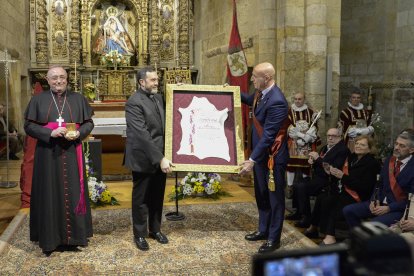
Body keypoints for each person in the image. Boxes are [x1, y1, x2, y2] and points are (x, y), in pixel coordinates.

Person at [24, 66, 94, 255]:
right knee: (49, 193)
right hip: (48, 154)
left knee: (73, 192)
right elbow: (28, 126)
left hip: (72, 152)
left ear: (67, 79)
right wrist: (49, 132)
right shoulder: (38, 100)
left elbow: (89, 122)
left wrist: (80, 133)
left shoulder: (78, 98)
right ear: (48, 80)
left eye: (62, 77)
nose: (58, 81)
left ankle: (76, 238)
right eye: (54, 78)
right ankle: (50, 238)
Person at [239, 62, 289, 253]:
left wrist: (251, 159)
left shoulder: (277, 100)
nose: (252, 80)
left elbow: (269, 135)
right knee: (261, 194)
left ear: (266, 78)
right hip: (260, 155)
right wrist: (231, 92)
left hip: (272, 157)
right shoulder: (261, 94)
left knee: (275, 199)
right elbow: (249, 99)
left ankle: (273, 239)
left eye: (255, 77)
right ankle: (263, 229)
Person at [123, 67, 173, 251]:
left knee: (157, 195)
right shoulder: (133, 102)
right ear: (141, 82)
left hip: (161, 156)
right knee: (141, 198)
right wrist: (159, 159)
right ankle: (139, 234)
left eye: (157, 79)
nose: (156, 82)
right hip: (143, 157)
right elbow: (142, 134)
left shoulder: (158, 97)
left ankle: (155, 229)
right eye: (152, 80)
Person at [303, 135, 381, 245]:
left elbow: (365, 187)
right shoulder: (352, 157)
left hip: (359, 195)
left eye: (362, 144)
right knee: (323, 197)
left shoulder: (372, 163)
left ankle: (330, 236)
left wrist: (342, 177)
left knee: (334, 201)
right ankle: (315, 228)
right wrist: (332, 171)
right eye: (357, 143)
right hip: (345, 189)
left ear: (370, 148)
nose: (358, 146)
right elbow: (341, 174)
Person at [343, 129, 414, 228]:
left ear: (411, 150)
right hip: (379, 203)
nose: (397, 148)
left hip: (397, 209)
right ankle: (359, 238)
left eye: (402, 146)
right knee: (348, 210)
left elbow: (411, 199)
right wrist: (374, 200)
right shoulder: (390, 160)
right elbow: (379, 184)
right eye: (396, 144)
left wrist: (389, 208)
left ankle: (366, 240)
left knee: (371, 225)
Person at [290, 128, 349, 228]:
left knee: (301, 186)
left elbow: (334, 168)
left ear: (340, 137)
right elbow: (319, 162)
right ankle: (299, 212)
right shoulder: (325, 147)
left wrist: (318, 159)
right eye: (328, 135)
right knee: (296, 184)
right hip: (318, 177)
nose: (330, 138)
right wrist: (312, 161)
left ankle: (307, 217)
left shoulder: (342, 150)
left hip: (329, 180)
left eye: (333, 136)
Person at [285, 92, 319, 200]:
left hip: (307, 142)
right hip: (294, 142)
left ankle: (306, 187)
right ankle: (289, 187)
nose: (297, 101)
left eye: (300, 99)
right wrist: (300, 136)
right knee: (291, 165)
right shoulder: (289, 112)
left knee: (306, 166)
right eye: (295, 99)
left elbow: (314, 126)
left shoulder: (310, 112)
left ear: (304, 99)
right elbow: (288, 127)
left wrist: (307, 138)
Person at [339, 87, 374, 152]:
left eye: (358, 98)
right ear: (350, 99)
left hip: (364, 142)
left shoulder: (366, 113)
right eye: (354, 97)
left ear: (360, 99)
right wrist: (359, 131)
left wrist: (368, 129)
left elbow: (370, 125)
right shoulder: (345, 112)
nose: (356, 99)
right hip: (351, 143)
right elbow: (345, 130)